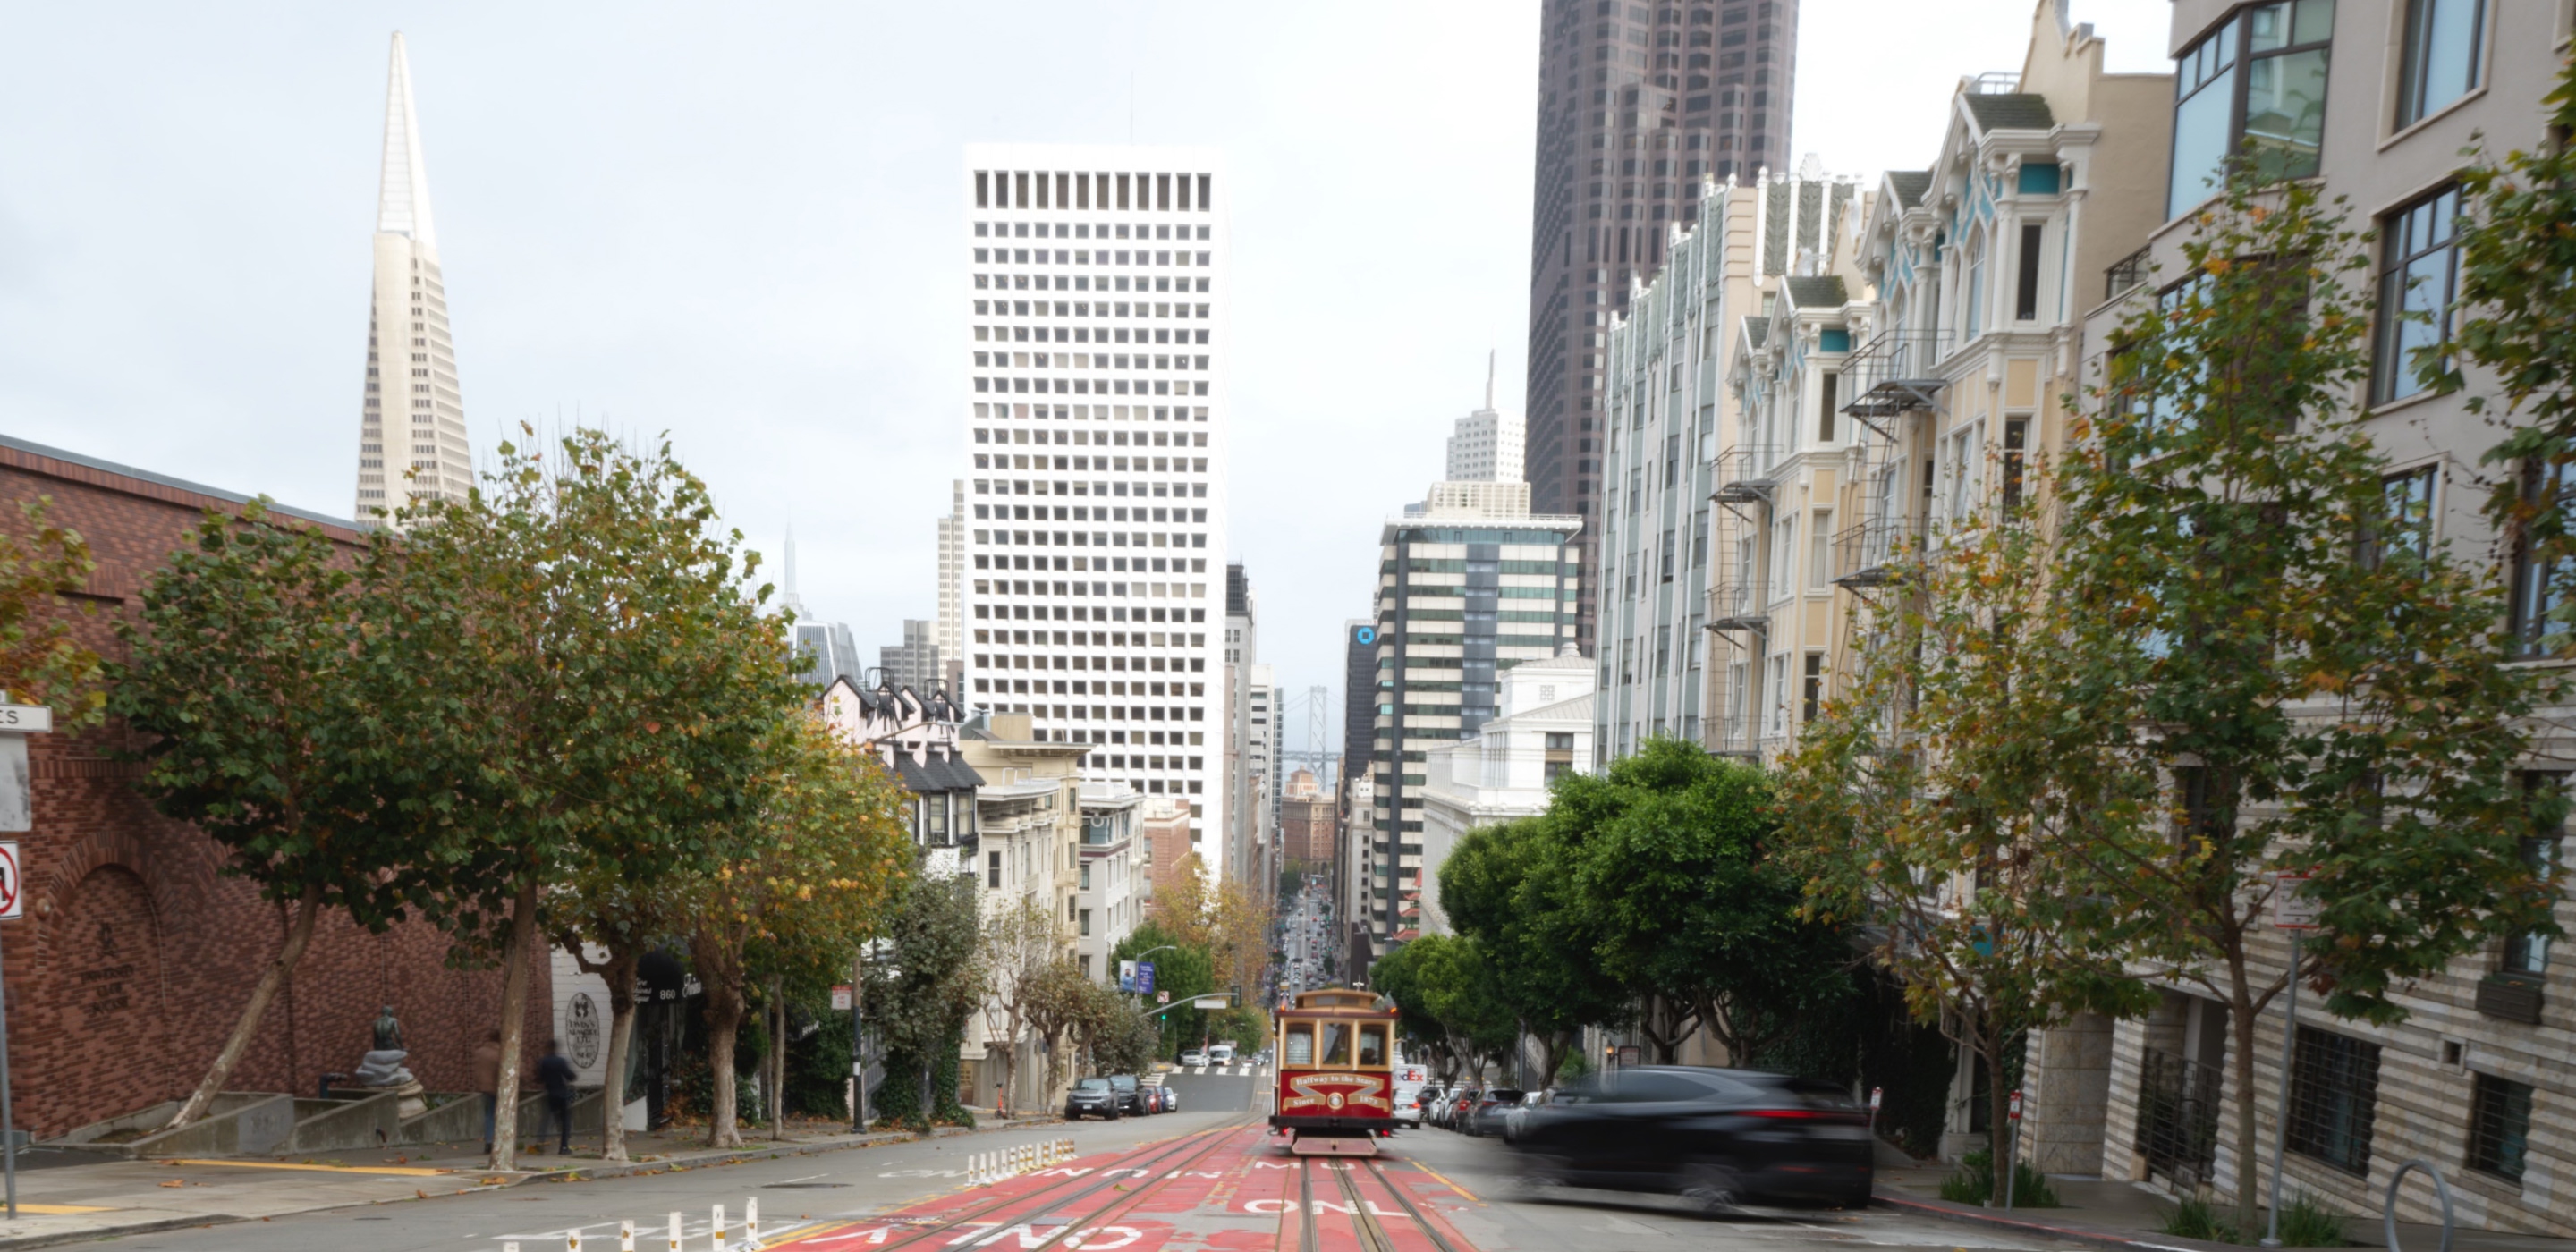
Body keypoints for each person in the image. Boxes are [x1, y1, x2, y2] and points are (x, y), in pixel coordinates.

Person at [535, 1037, 578, 1156]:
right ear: (555, 1048)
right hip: (562, 1093)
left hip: (550, 1093)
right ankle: (563, 1147)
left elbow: (539, 1078)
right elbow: (570, 1076)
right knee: (564, 1122)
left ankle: (540, 1145)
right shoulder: (561, 1061)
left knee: (545, 1121)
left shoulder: (543, 1062)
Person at [472, 1028, 503, 1155]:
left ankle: (489, 1141)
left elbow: (477, 1071)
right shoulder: (500, 1053)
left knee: (489, 1115)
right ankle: (499, 1141)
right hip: (498, 1088)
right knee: (499, 1115)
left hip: (485, 1088)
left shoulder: (480, 1052)